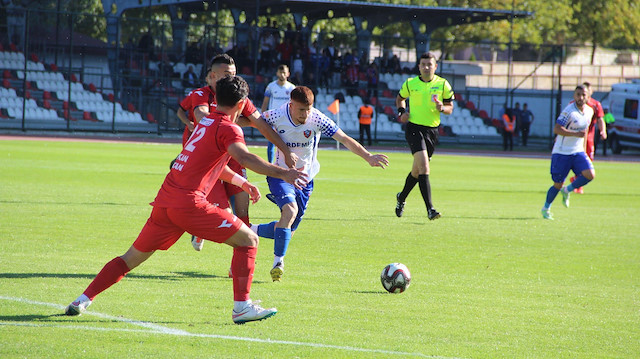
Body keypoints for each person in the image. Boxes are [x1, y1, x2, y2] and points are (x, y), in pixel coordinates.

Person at [64, 75, 308, 324]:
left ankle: (82, 299)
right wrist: (284, 173)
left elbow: (207, 163)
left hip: (165, 202)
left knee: (129, 259)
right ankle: (242, 307)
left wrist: (242, 182)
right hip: (189, 204)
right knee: (248, 240)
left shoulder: (206, 122)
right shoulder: (229, 127)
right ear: (241, 104)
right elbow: (245, 158)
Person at [253, 86, 389, 281]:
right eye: (301, 110)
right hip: (280, 174)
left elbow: (344, 138)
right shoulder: (277, 114)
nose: (305, 114)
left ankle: (250, 229)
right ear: (290, 105)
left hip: (305, 179)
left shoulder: (317, 118)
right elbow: (253, 120)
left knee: (288, 228)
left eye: (308, 109)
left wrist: (368, 156)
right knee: (289, 212)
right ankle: (278, 263)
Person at [177, 54, 298, 251]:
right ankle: (200, 229)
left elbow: (262, 125)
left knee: (243, 217)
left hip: (231, 158)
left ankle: (237, 268)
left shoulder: (240, 97)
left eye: (233, 74)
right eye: (226, 74)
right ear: (213, 76)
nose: (230, 78)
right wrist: (234, 121)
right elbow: (201, 116)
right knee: (224, 216)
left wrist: (284, 150)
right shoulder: (202, 94)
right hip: (207, 163)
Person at [394, 52, 453, 220]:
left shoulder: (443, 84)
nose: (426, 67)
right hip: (414, 128)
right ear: (419, 66)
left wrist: (442, 108)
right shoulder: (411, 83)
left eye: (430, 64)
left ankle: (401, 197)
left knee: (416, 171)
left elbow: (450, 108)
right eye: (423, 64)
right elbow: (400, 99)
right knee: (425, 168)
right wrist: (401, 112)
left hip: (432, 132)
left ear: (435, 66)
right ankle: (430, 209)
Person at [541, 85, 594, 220]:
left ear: (588, 96)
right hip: (562, 152)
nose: (580, 98)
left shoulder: (589, 111)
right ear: (574, 96)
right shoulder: (568, 111)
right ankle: (546, 208)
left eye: (583, 95)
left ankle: (568, 190)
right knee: (557, 184)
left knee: (590, 174)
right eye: (578, 94)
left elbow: (585, 132)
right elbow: (557, 129)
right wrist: (576, 134)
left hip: (577, 151)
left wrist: (584, 150)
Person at [570, 82, 606, 193]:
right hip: (575, 137)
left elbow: (600, 119)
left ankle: (576, 180)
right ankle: (577, 184)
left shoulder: (595, 105)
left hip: (589, 138)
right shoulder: (573, 104)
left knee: (588, 161)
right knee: (576, 160)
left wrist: (603, 130)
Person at [262, 64, 296, 163]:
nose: (282, 74)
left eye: (284, 72)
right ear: (277, 73)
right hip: (273, 120)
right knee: (271, 143)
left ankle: (288, 163)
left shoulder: (291, 88)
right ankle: (270, 164)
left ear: (288, 74)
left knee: (288, 144)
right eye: (280, 72)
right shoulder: (271, 86)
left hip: (286, 119)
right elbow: (265, 102)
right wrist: (263, 117)